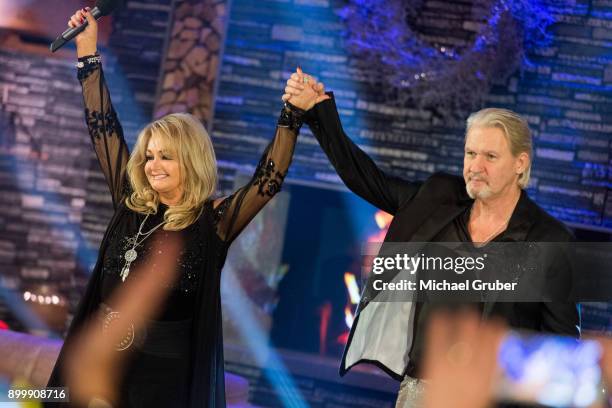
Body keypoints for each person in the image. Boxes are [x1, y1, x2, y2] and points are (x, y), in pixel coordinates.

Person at [46, 8, 319, 408]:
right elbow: (102, 125)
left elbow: (267, 181)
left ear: (190, 162)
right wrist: (88, 51)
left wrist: (291, 115)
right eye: (150, 156)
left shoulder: (213, 221)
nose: (153, 165)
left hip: (160, 379)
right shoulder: (131, 202)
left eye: (167, 157)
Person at [283, 70, 580, 407]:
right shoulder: (439, 197)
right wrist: (319, 110)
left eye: (490, 157)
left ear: (520, 164)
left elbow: (562, 349)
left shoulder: (550, 240)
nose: (475, 167)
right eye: (470, 154)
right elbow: (366, 179)